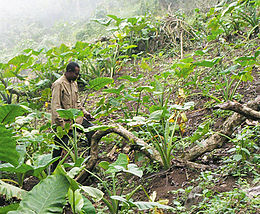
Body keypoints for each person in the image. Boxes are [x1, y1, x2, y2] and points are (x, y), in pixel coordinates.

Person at [50, 61, 94, 172]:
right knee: (60, 149)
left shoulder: (73, 83)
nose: (77, 76)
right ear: (69, 72)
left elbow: (77, 103)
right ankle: (53, 172)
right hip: (63, 123)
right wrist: (62, 125)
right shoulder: (58, 84)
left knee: (92, 131)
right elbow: (55, 107)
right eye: (76, 73)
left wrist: (85, 112)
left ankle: (90, 160)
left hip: (76, 119)